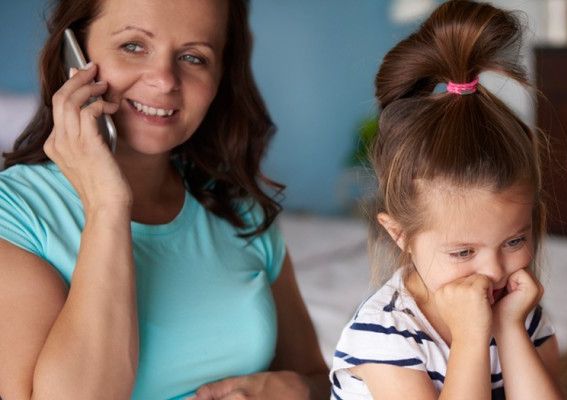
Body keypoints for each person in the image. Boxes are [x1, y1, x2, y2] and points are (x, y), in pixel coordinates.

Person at [0, 0, 329, 399]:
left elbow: (315, 377)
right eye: (133, 46)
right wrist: (107, 205)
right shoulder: (15, 214)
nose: (165, 80)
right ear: (75, 53)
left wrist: (292, 389)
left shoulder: (241, 211)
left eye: (194, 57)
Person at [329, 1, 563, 399]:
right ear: (400, 234)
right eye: (462, 252)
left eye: (514, 241)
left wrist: (507, 328)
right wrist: (472, 336)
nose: (493, 270)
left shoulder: (519, 309)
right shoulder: (384, 336)